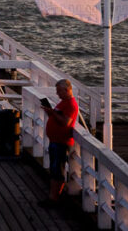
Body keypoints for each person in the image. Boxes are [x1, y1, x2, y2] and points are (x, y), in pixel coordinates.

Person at [39, 79, 79, 208]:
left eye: (59, 91)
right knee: (54, 169)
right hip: (55, 141)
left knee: (58, 170)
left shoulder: (71, 104)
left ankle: (54, 198)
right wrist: (51, 113)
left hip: (61, 142)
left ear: (67, 90)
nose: (57, 94)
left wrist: (52, 113)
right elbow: (58, 117)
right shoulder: (63, 103)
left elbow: (66, 122)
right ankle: (52, 196)